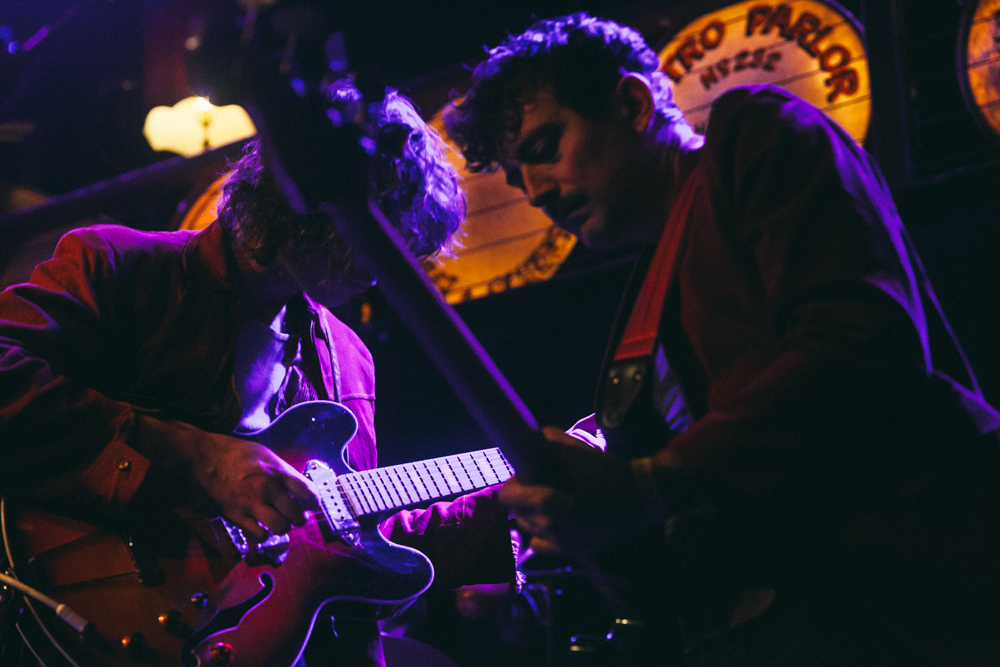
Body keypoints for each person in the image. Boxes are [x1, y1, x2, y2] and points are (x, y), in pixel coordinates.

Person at [444, 12, 1000, 666]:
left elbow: (858, 340)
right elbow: (688, 522)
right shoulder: (646, 296)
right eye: (515, 175)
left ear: (632, 103)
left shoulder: (756, 130)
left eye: (544, 148)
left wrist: (648, 484)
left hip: (905, 597)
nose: (534, 191)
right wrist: (565, 588)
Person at [0, 83, 514, 667]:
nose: (383, 272)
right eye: (381, 239)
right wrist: (199, 456)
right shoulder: (115, 266)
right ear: (309, 204)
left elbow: (340, 533)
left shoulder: (348, 357)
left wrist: (519, 495)